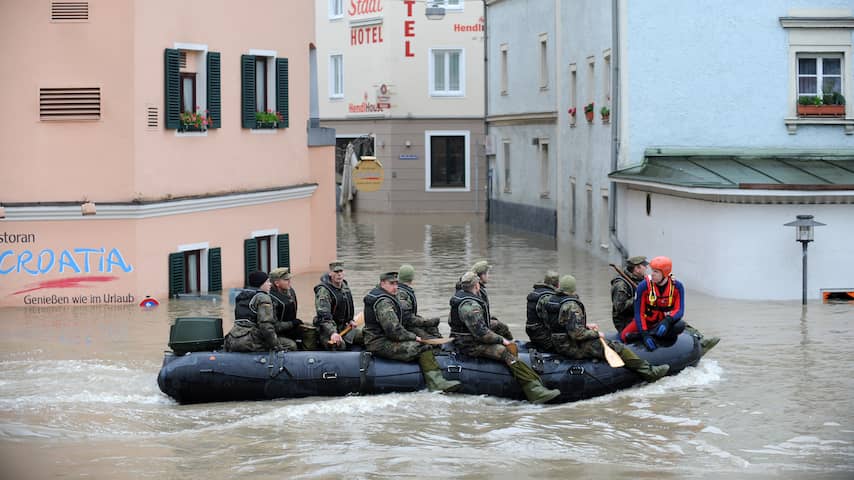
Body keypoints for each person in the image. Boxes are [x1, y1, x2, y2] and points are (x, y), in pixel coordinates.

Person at [449, 271, 560, 404]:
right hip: (469, 345)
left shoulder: (459, 298)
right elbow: (483, 334)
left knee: (499, 328)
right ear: (477, 286)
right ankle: (534, 389)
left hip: (462, 339)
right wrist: (502, 340)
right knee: (504, 352)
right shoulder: (471, 306)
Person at [546, 275, 669, 382]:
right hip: (571, 346)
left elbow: (562, 324)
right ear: (573, 288)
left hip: (558, 344)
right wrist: (596, 334)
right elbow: (577, 335)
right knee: (617, 347)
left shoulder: (553, 300)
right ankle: (649, 372)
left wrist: (585, 326)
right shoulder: (571, 305)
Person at [364, 271, 461, 393]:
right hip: (379, 343)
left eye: (396, 283)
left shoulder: (382, 295)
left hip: (380, 338)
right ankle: (436, 383)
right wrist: (413, 337)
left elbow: (401, 322)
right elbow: (394, 331)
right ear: (382, 283)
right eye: (391, 284)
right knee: (423, 347)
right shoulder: (383, 303)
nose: (395, 287)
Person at [621, 256, 720, 354]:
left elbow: (679, 310)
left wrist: (667, 321)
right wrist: (644, 334)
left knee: (679, 325)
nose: (652, 274)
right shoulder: (643, 286)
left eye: (656, 272)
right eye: (652, 271)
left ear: (665, 273)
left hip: (662, 321)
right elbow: (639, 313)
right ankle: (644, 336)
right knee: (624, 336)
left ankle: (652, 335)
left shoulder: (677, 286)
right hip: (646, 321)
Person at [225, 271, 295, 352]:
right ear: (261, 284)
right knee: (291, 345)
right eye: (267, 282)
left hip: (232, 339)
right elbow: (266, 327)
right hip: (249, 342)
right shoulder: (263, 298)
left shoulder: (241, 296)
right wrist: (276, 347)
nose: (270, 284)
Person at [314, 260, 363, 349]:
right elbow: (324, 318)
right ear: (330, 273)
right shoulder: (323, 291)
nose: (339, 274)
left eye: (341, 271)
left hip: (344, 328)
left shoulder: (345, 286)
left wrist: (350, 320)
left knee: (366, 336)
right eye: (336, 272)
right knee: (340, 346)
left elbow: (347, 307)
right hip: (327, 331)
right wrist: (332, 333)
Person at [269, 267, 317, 350]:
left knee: (311, 330)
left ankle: (309, 354)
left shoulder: (290, 291)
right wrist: (292, 323)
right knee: (292, 345)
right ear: (277, 283)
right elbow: (273, 326)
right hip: (276, 333)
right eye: (286, 280)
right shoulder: (270, 299)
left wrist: (295, 324)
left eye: (289, 279)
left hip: (290, 328)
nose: (289, 282)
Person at [469, 260, 514, 340]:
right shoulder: (478, 290)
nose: (489, 276)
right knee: (502, 327)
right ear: (482, 276)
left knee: (494, 320)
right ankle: (511, 345)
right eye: (487, 273)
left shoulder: (470, 286)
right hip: (476, 327)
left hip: (473, 324)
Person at [396, 264, 442, 339]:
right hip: (404, 327)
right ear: (411, 278)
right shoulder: (401, 293)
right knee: (429, 337)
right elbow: (407, 318)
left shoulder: (402, 290)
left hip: (407, 325)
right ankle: (437, 346)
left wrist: (425, 321)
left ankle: (440, 343)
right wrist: (425, 322)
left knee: (432, 328)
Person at [611, 256, 649, 333]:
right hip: (626, 322)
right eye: (644, 266)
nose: (646, 268)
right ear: (637, 269)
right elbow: (620, 308)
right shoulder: (621, 285)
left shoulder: (642, 279)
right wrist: (638, 297)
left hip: (640, 316)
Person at [525, 271, 559, 352]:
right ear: (558, 284)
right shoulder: (548, 297)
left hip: (532, 331)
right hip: (542, 335)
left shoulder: (536, 292)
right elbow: (549, 322)